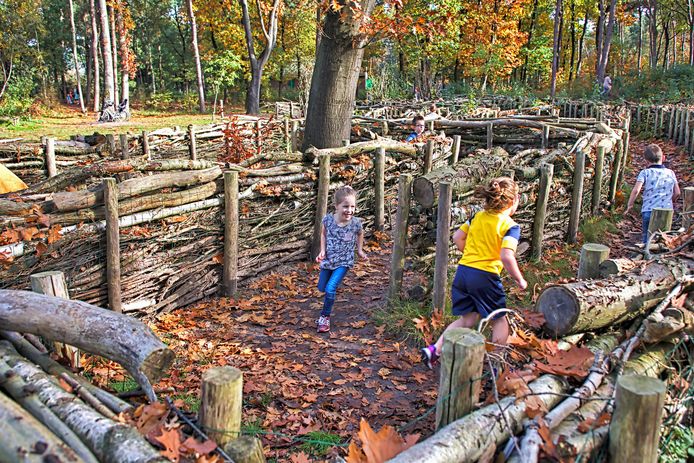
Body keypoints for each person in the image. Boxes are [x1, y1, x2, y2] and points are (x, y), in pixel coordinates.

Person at [421, 177, 527, 369]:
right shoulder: (510, 226)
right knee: (499, 319)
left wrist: (470, 254)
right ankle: (497, 364)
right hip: (485, 277)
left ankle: (434, 350)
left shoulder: (477, 217)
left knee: (467, 319)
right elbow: (506, 256)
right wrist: (520, 279)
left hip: (463, 272)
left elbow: (457, 237)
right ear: (514, 201)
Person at [315, 186, 368, 333]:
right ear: (336, 206)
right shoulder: (328, 220)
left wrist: (359, 250)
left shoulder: (356, 223)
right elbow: (323, 234)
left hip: (344, 261)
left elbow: (360, 234)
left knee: (330, 288)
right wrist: (322, 250)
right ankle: (329, 296)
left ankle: (324, 318)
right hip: (329, 260)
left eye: (352, 207)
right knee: (322, 288)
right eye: (345, 206)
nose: (349, 210)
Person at [625, 144, 680, 243]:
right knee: (664, 237)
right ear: (663, 158)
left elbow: (636, 190)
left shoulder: (645, 173)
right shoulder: (671, 173)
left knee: (647, 236)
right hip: (666, 211)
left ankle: (645, 253)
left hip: (648, 210)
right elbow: (677, 192)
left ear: (646, 160)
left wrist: (630, 204)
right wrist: (671, 201)